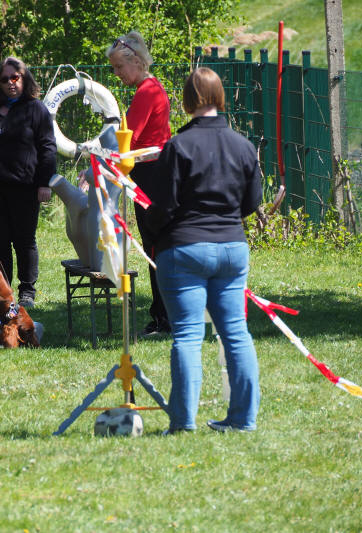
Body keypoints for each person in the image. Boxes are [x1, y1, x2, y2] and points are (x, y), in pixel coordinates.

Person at [144, 67, 262, 434]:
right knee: (236, 334)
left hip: (184, 248)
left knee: (187, 336)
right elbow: (251, 202)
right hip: (231, 247)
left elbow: (163, 205)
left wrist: (155, 232)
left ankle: (183, 422)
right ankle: (243, 419)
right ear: (220, 97)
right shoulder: (243, 146)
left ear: (187, 101)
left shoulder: (178, 146)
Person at [0, 56, 57, 308]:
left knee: (24, 240)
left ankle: (27, 291)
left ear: (24, 78)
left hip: (25, 187)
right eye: (4, 79)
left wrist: (45, 183)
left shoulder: (36, 109)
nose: (10, 82)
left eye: (15, 77)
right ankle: (2, 290)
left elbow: (48, 147)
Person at [105, 31, 172, 337]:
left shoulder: (147, 91)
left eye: (119, 67)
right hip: (151, 174)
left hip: (151, 176)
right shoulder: (151, 88)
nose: (117, 74)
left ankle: (164, 317)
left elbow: (128, 138)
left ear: (136, 61)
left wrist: (103, 165)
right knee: (155, 245)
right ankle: (163, 314)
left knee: (155, 246)